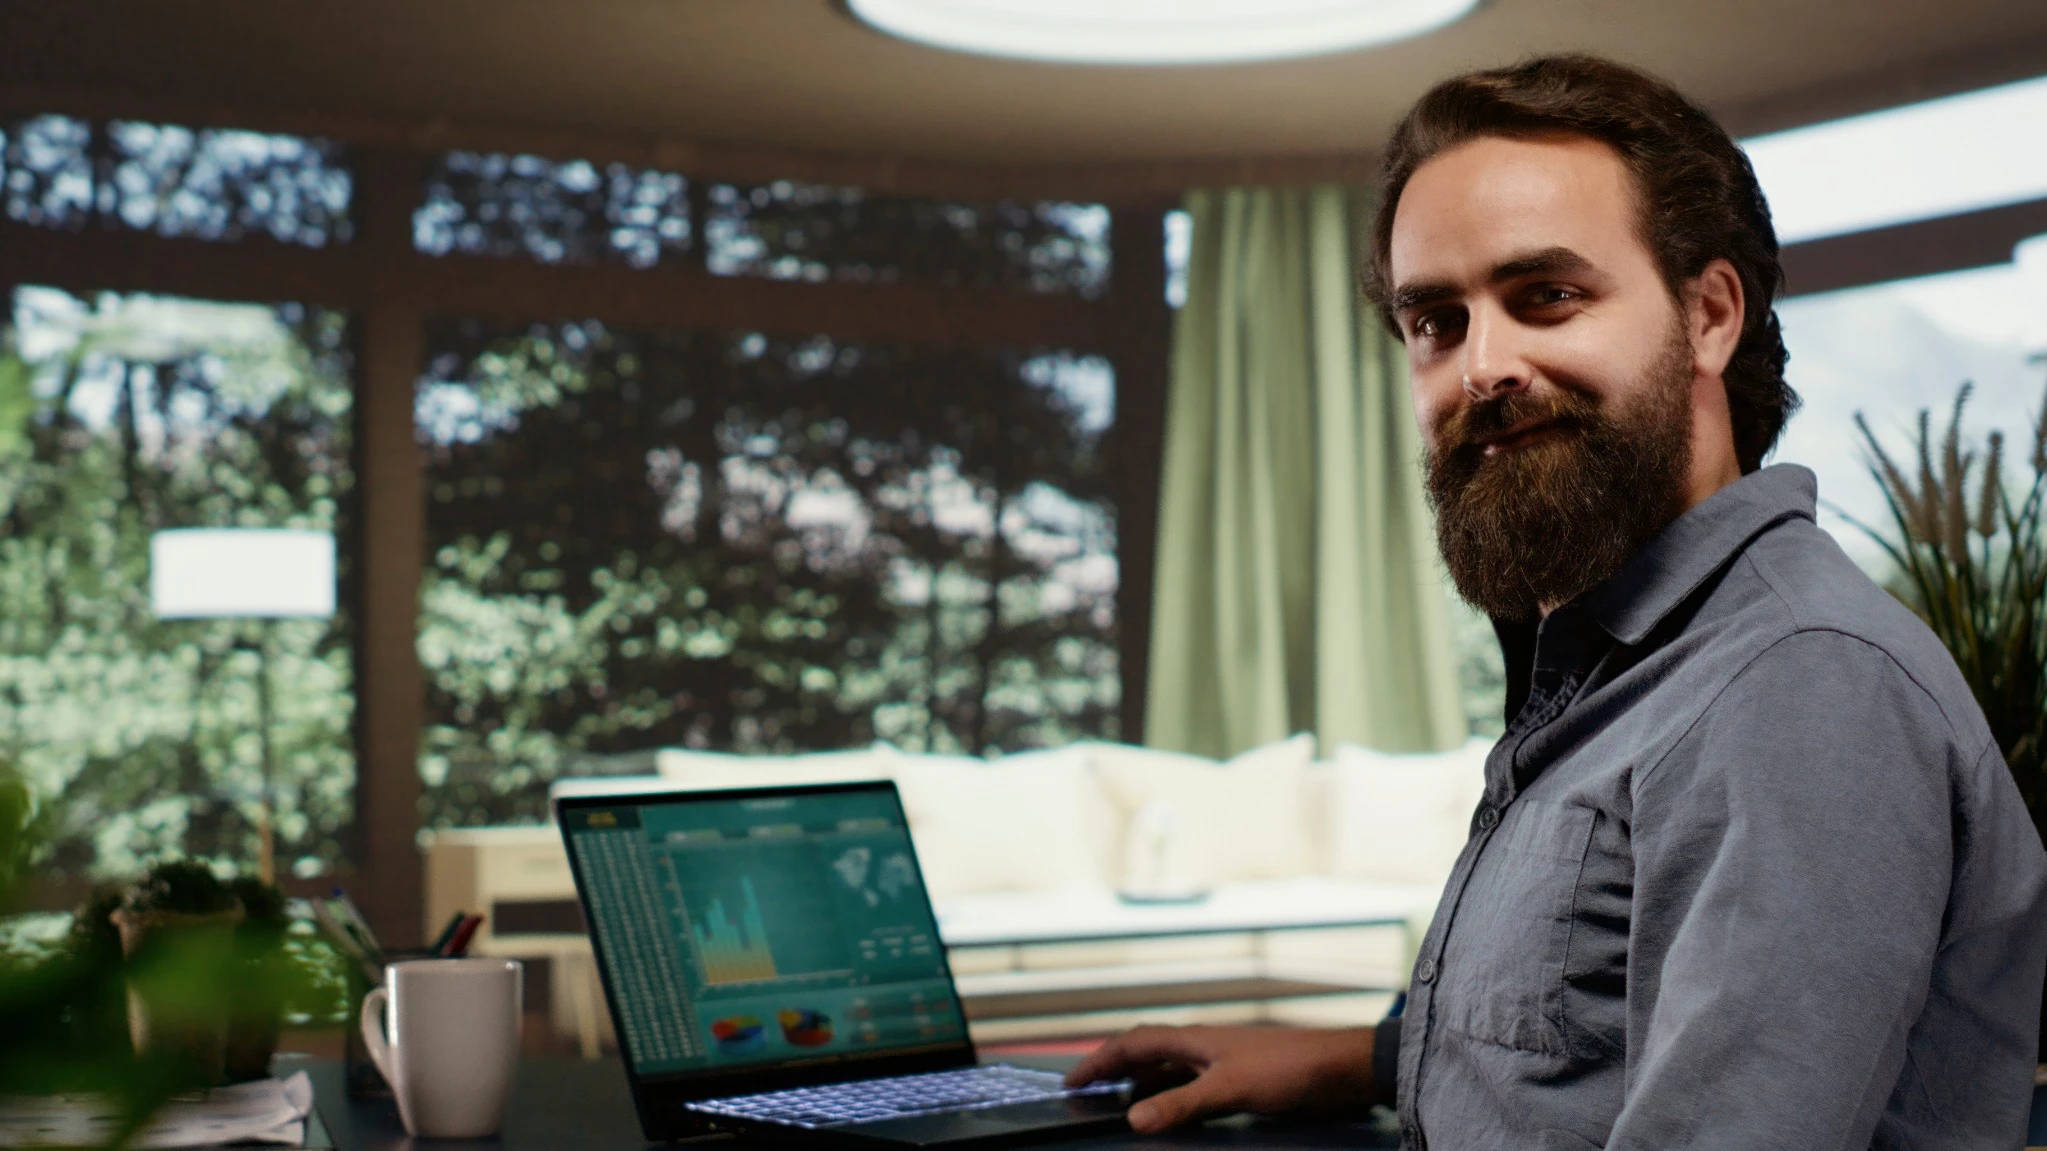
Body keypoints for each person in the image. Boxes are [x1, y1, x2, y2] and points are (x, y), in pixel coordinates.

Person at [1068, 54, 2047, 1148]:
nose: (1482, 364)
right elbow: (1606, 1024)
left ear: (1710, 314)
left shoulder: (1799, 683)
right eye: (1435, 321)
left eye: (1547, 296)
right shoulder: (1611, 666)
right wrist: (1365, 1059)